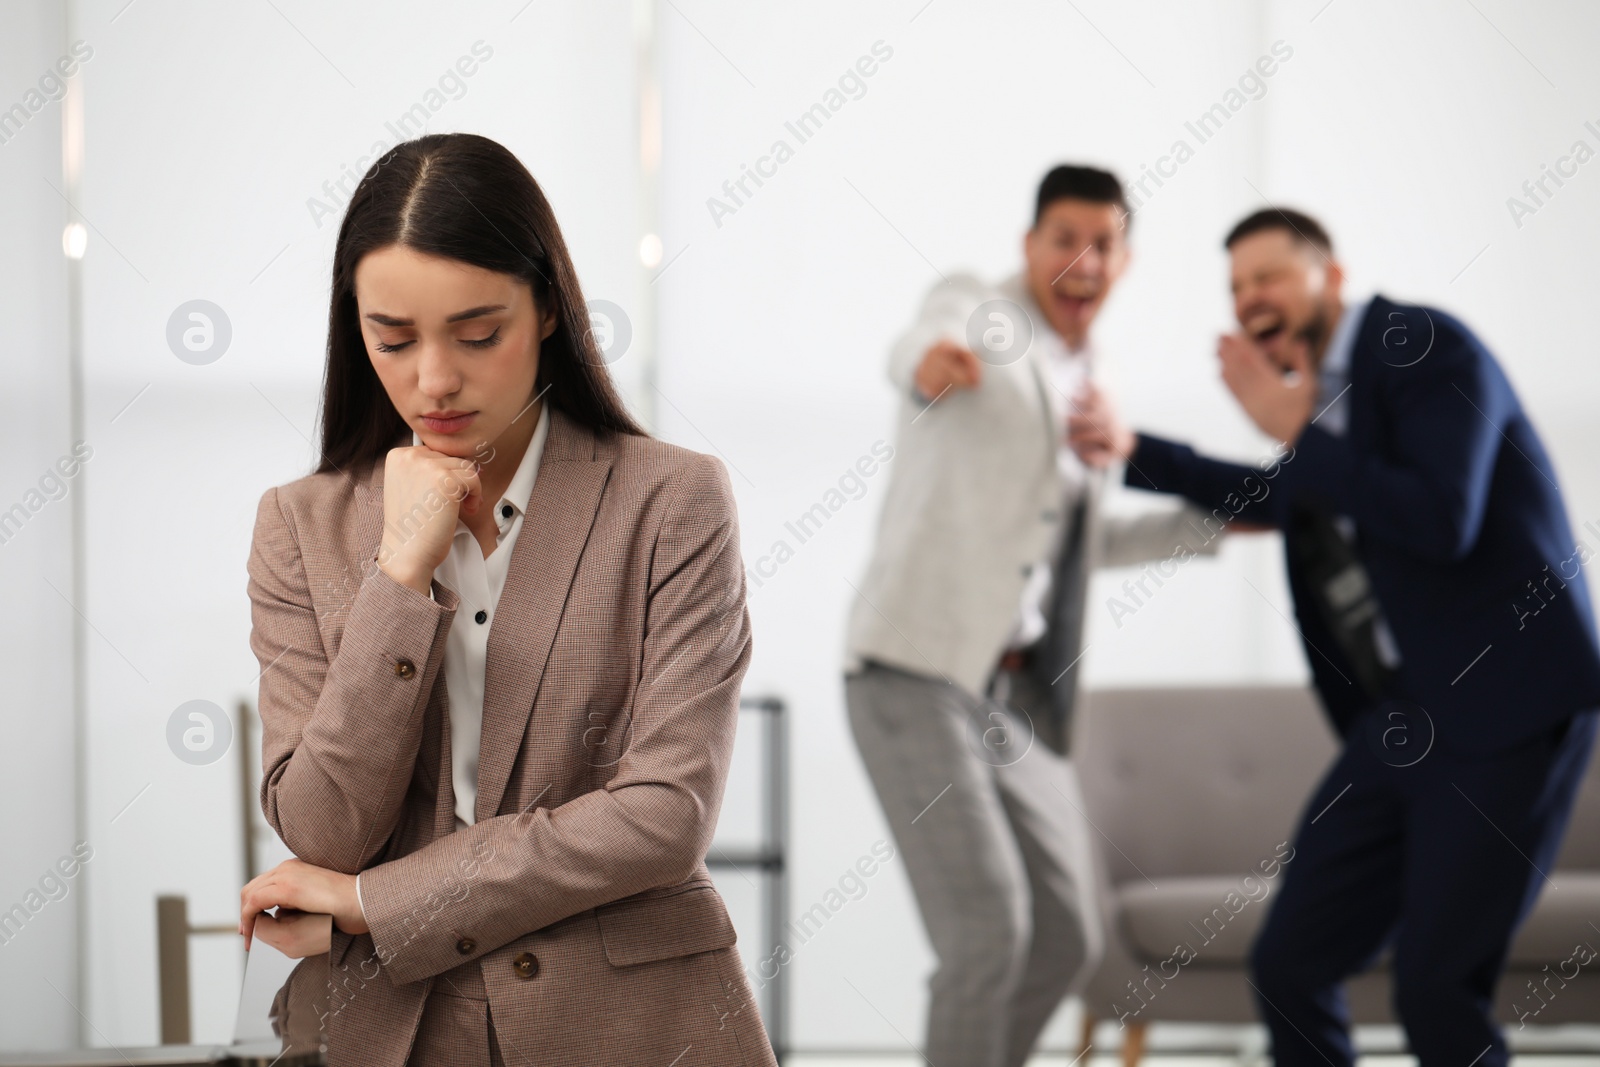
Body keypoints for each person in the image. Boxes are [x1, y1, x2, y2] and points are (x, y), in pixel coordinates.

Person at [236, 133, 775, 1067]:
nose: (433, 379)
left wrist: (377, 901)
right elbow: (322, 829)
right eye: (392, 339)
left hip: (638, 1028)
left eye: (478, 334)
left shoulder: (672, 499)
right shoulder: (301, 525)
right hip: (394, 1029)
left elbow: (664, 813)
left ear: (552, 311)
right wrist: (400, 575)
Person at [1071, 207, 1600, 1067]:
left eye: (1269, 276)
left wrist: (1294, 431)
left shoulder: (1422, 346)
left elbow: (1440, 518)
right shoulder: (1327, 409)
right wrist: (1132, 450)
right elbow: (1280, 498)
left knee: (1436, 990)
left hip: (1512, 713)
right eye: (1237, 288)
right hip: (1404, 722)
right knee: (1290, 965)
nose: (1250, 301)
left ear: (1334, 278)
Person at [842, 165, 1223, 1067]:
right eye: (1065, 239)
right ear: (1029, 246)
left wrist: (1217, 520)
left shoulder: (1096, 383)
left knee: (1065, 936)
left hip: (1014, 697)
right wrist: (926, 365)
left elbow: (1078, 545)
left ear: (1127, 260)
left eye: (1106, 244)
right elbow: (923, 337)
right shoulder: (983, 310)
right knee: (986, 932)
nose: (1084, 261)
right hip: (915, 668)